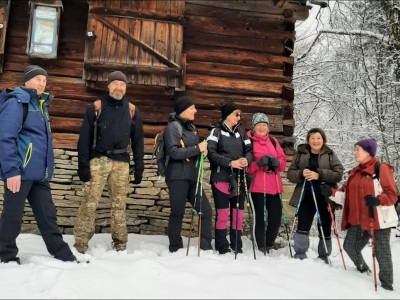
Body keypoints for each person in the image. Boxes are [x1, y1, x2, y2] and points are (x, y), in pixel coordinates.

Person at [0, 65, 77, 264]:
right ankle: (5, 256)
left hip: (39, 173)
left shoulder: (41, 104)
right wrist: (11, 172)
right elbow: (6, 138)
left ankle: (63, 254)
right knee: (13, 216)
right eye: (37, 79)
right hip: (20, 172)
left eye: (44, 80)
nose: (42, 83)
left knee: (47, 215)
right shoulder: (17, 102)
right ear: (27, 80)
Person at [74, 71, 144, 253]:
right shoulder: (95, 108)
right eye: (115, 84)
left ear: (126, 88)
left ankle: (120, 243)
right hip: (98, 160)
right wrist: (82, 165)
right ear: (108, 86)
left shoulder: (132, 110)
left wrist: (139, 168)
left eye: (122, 84)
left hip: (121, 163)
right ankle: (80, 243)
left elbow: (138, 141)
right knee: (89, 203)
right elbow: (84, 139)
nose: (118, 87)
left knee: (119, 205)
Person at [329, 138, 397, 291]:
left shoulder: (381, 168)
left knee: (381, 252)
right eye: (354, 149)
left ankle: (387, 286)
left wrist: (377, 200)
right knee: (350, 246)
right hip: (358, 219)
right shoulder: (354, 172)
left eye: (357, 149)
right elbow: (345, 195)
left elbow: (392, 194)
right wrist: (331, 193)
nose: (354, 153)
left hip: (378, 218)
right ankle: (363, 271)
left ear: (368, 152)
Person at [287, 128, 343, 262]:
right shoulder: (300, 153)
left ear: (323, 139)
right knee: (303, 224)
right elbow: (290, 174)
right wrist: (301, 174)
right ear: (308, 140)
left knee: (325, 225)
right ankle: (300, 253)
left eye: (318, 138)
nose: (316, 141)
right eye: (312, 138)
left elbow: (338, 174)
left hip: (325, 195)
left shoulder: (330, 154)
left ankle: (324, 256)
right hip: (306, 194)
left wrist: (320, 174)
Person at [164, 96, 212, 253]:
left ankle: (205, 246)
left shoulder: (192, 128)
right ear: (183, 110)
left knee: (206, 211)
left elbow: (194, 150)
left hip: (193, 176)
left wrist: (202, 152)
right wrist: (198, 148)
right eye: (192, 108)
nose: (195, 111)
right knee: (177, 213)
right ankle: (175, 247)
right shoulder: (172, 128)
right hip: (177, 176)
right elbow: (173, 152)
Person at [207, 102, 253, 254]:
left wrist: (247, 159)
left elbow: (249, 150)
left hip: (239, 178)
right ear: (227, 115)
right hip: (221, 177)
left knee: (238, 213)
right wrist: (230, 163)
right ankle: (222, 246)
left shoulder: (242, 132)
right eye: (236, 114)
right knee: (222, 213)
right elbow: (211, 154)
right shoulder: (216, 131)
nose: (239, 117)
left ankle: (236, 245)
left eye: (240, 114)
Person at [246, 113, 286, 253]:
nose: (262, 128)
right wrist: (258, 163)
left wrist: (277, 163)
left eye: (264, 125)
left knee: (275, 219)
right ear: (254, 127)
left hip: (274, 186)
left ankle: (268, 245)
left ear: (268, 128)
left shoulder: (273, 141)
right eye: (259, 125)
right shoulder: (248, 141)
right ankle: (260, 246)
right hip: (257, 186)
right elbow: (247, 167)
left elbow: (282, 163)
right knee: (260, 219)